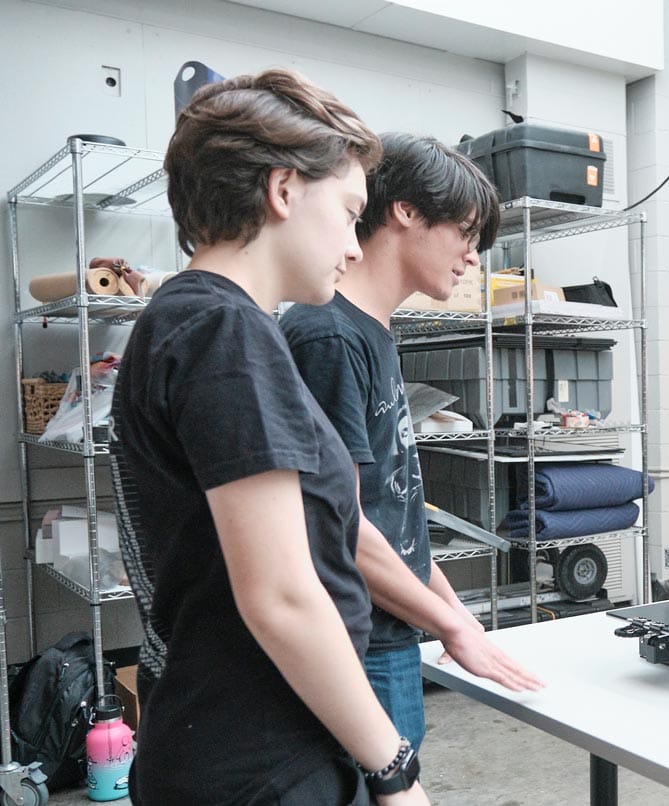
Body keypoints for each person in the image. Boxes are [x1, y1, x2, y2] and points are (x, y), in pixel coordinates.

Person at [110, 69, 428, 804]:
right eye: (351, 213)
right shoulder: (224, 330)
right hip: (259, 760)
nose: (355, 246)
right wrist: (393, 770)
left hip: (240, 742)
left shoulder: (195, 320)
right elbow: (281, 595)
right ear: (283, 191)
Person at [280, 133, 543, 751]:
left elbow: (394, 514)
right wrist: (452, 627)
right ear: (405, 211)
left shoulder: (372, 332)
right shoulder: (328, 337)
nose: (472, 258)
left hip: (390, 635)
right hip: (355, 643)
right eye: (466, 234)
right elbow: (337, 523)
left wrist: (460, 620)